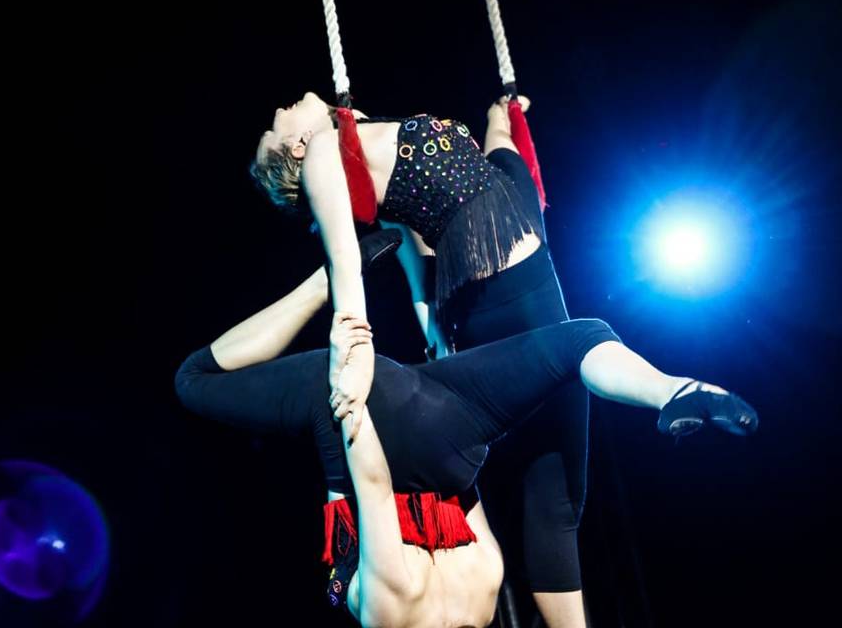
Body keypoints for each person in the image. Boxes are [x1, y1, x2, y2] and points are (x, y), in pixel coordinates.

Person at [249, 92, 756, 626]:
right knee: (587, 338)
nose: (281, 107)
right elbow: (345, 267)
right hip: (494, 289)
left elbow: (419, 254)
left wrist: (501, 116)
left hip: (524, 261)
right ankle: (676, 391)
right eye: (275, 123)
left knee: (558, 497)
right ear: (297, 147)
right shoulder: (325, 156)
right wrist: (350, 351)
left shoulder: (359, 140)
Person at [174, 237, 758, 627]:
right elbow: (372, 485)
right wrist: (348, 397)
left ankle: (673, 390)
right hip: (368, 428)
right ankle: (328, 283)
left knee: (581, 339)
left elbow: (465, 492)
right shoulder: (388, 611)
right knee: (193, 381)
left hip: (448, 434)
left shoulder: (484, 597)